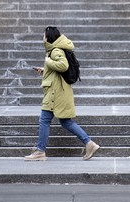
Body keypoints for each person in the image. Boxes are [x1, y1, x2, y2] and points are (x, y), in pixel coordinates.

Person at [25, 26, 100, 161]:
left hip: (55, 93)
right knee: (66, 121)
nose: (42, 38)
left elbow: (63, 65)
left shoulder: (55, 50)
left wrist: (48, 61)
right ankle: (89, 143)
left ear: (48, 37)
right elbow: (58, 70)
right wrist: (45, 70)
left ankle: (40, 151)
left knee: (44, 120)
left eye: (44, 36)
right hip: (59, 91)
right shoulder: (56, 49)